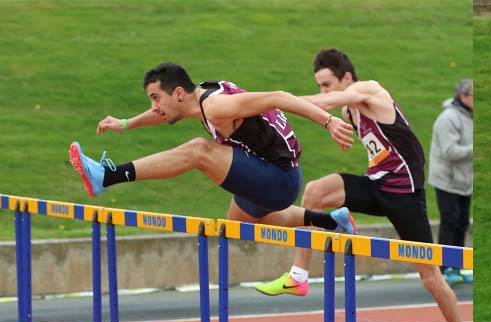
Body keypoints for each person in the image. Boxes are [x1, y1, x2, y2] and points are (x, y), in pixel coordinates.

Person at [254, 49, 474, 322]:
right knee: (314, 192)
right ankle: (299, 274)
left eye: (327, 84)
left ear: (346, 78)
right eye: (320, 85)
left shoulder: (370, 90)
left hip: (405, 196)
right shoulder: (349, 111)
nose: (324, 91)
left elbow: (328, 103)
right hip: (376, 185)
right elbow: (367, 137)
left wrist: (275, 103)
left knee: (431, 278)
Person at [69, 62, 357, 234]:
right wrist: (126, 123)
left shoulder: (216, 107)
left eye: (156, 98)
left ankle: (107, 177)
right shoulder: (197, 97)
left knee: (199, 150)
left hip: (279, 178)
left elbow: (279, 97)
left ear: (178, 93)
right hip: (268, 175)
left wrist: (328, 120)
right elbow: (163, 113)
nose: (154, 106)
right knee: (238, 226)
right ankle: (331, 222)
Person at [428, 78, 474, 285]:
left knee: (462, 222)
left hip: (464, 181)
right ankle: (444, 268)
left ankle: (457, 266)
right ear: (463, 96)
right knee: (450, 221)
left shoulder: (470, 116)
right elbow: (450, 152)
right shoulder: (448, 118)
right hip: (447, 179)